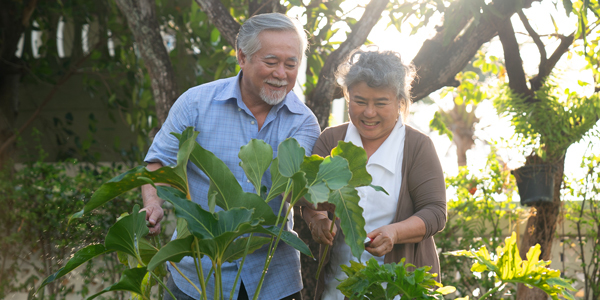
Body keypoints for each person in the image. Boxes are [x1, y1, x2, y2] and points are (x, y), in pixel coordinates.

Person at [142, 13, 321, 300]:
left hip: (272, 279)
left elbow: (299, 190)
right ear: (241, 56)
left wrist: (319, 212)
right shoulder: (195, 104)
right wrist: (153, 203)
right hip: (197, 275)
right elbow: (158, 161)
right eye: (271, 62)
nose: (281, 74)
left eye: (292, 64)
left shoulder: (303, 122)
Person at [301, 49, 447, 299]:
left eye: (381, 103)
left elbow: (435, 212)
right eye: (360, 101)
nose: (369, 112)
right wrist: (317, 220)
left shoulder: (417, 147)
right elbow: (308, 196)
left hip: (399, 289)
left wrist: (394, 233)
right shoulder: (331, 140)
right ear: (347, 97)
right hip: (338, 287)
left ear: (400, 102)